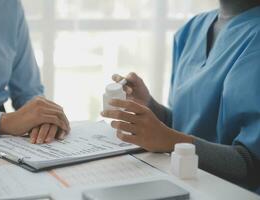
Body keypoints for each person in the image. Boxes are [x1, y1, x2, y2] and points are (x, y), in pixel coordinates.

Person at [101, 0, 260, 192]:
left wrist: (171, 141)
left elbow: (252, 164)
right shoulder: (191, 29)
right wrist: (151, 106)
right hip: (179, 182)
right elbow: (183, 125)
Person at [0, 0, 70, 144]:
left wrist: (42, 117)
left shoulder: (9, 5)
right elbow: (10, 122)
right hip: (3, 127)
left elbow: (28, 90)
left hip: (0, 139)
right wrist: (5, 123)